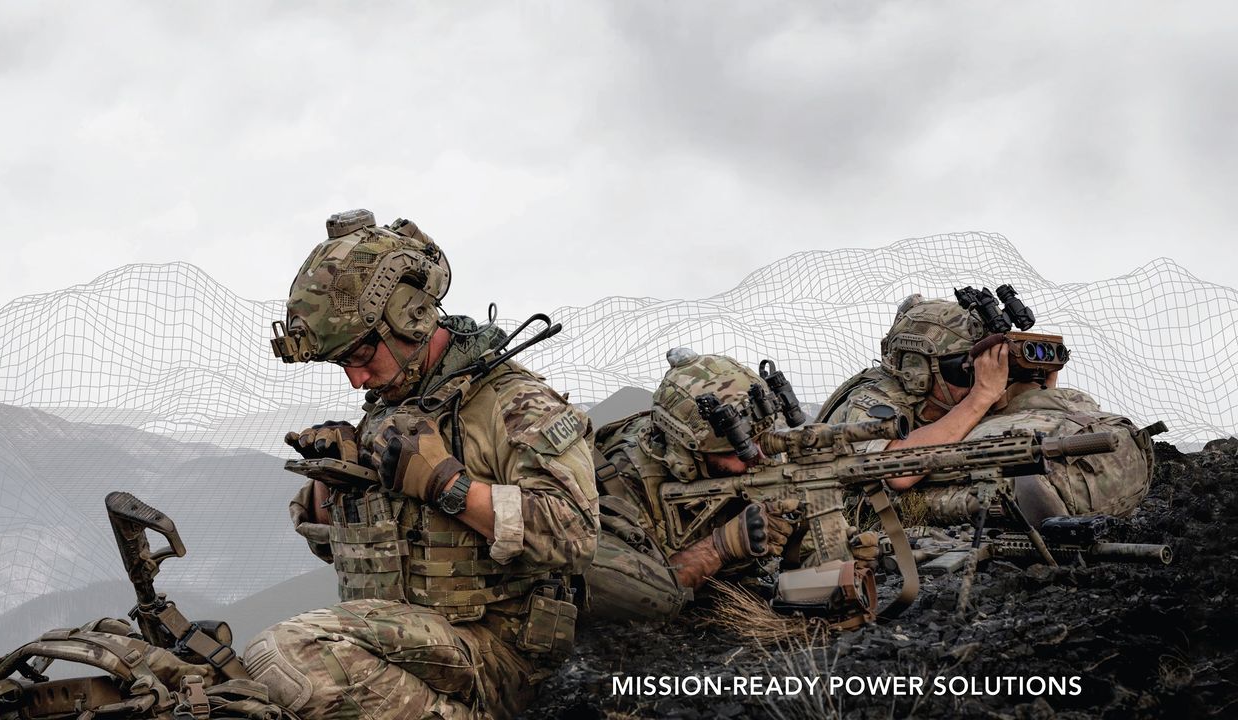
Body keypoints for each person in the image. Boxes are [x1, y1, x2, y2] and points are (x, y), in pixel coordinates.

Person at [250, 209, 598, 719]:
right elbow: (341, 552)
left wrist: (449, 486)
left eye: (360, 355)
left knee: (291, 656)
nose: (355, 379)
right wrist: (335, 481)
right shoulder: (389, 411)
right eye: (342, 363)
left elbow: (575, 536)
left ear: (409, 317)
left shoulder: (514, 403)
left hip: (498, 656)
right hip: (413, 647)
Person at [583, 349, 877, 622]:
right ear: (687, 454)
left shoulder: (762, 456)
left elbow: (806, 555)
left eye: (762, 440)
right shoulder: (617, 483)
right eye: (739, 449)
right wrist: (721, 547)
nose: (759, 456)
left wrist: (836, 559)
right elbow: (640, 595)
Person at [817, 294, 1155, 525]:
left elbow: (1015, 424)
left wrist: (1036, 391)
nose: (977, 379)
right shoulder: (873, 398)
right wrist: (980, 397)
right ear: (918, 368)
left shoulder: (949, 399)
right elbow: (897, 473)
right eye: (966, 370)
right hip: (849, 509)